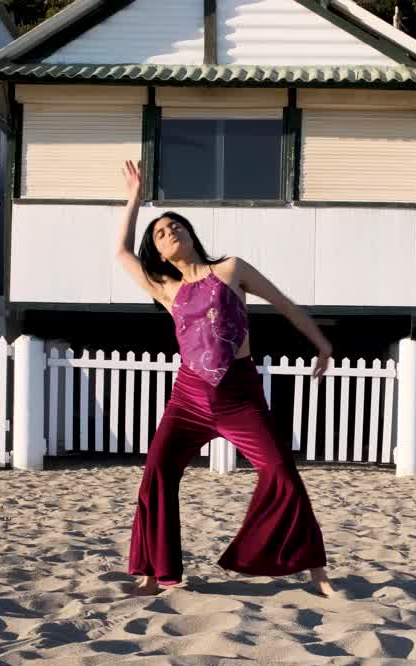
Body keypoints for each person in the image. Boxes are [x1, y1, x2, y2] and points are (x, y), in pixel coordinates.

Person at [113, 160, 336, 597]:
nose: (170, 231)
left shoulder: (231, 269)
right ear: (159, 254)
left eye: (175, 225)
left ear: (191, 234)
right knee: (157, 472)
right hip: (188, 398)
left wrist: (322, 344)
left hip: (239, 395)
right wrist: (134, 198)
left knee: (281, 470)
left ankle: (318, 573)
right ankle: (154, 575)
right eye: (160, 233)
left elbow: (284, 303)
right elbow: (122, 252)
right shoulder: (167, 289)